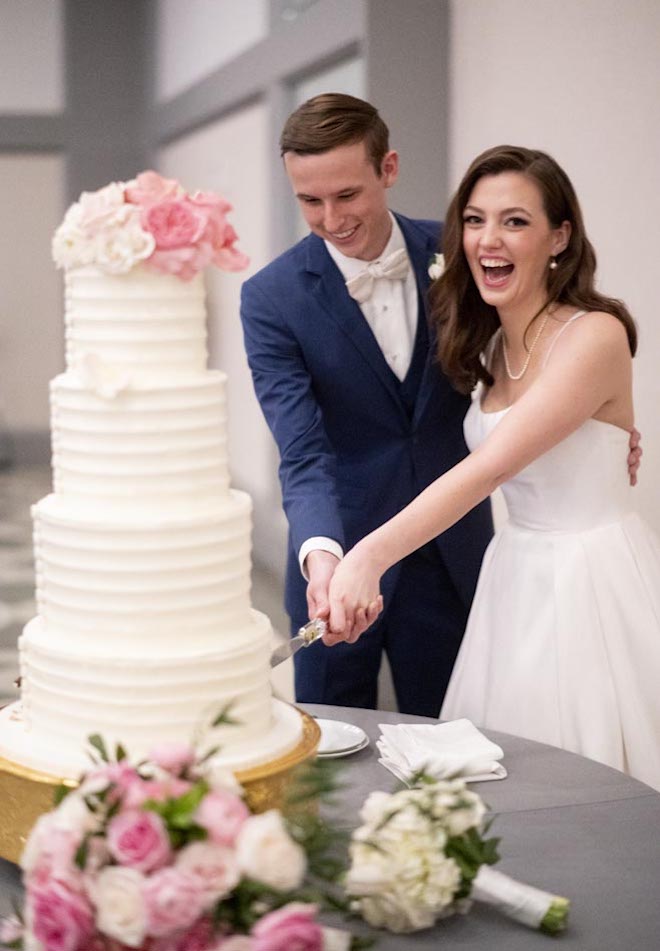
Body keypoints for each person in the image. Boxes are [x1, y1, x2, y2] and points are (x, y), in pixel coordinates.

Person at [326, 145, 660, 790]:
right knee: (503, 775)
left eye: (515, 221)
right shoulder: (486, 343)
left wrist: (369, 556)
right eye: (475, 220)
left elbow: (488, 470)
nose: (488, 238)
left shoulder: (594, 335)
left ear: (559, 236)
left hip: (588, 578)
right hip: (514, 573)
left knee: (589, 779)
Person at [240, 93, 494, 716]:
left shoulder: (459, 255)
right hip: (340, 557)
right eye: (309, 200)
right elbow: (302, 452)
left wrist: (605, 416)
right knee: (331, 748)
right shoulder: (270, 299)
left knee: (449, 745)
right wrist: (323, 556)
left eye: (347, 195)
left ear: (389, 168)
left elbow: (533, 345)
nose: (330, 218)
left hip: (452, 548)